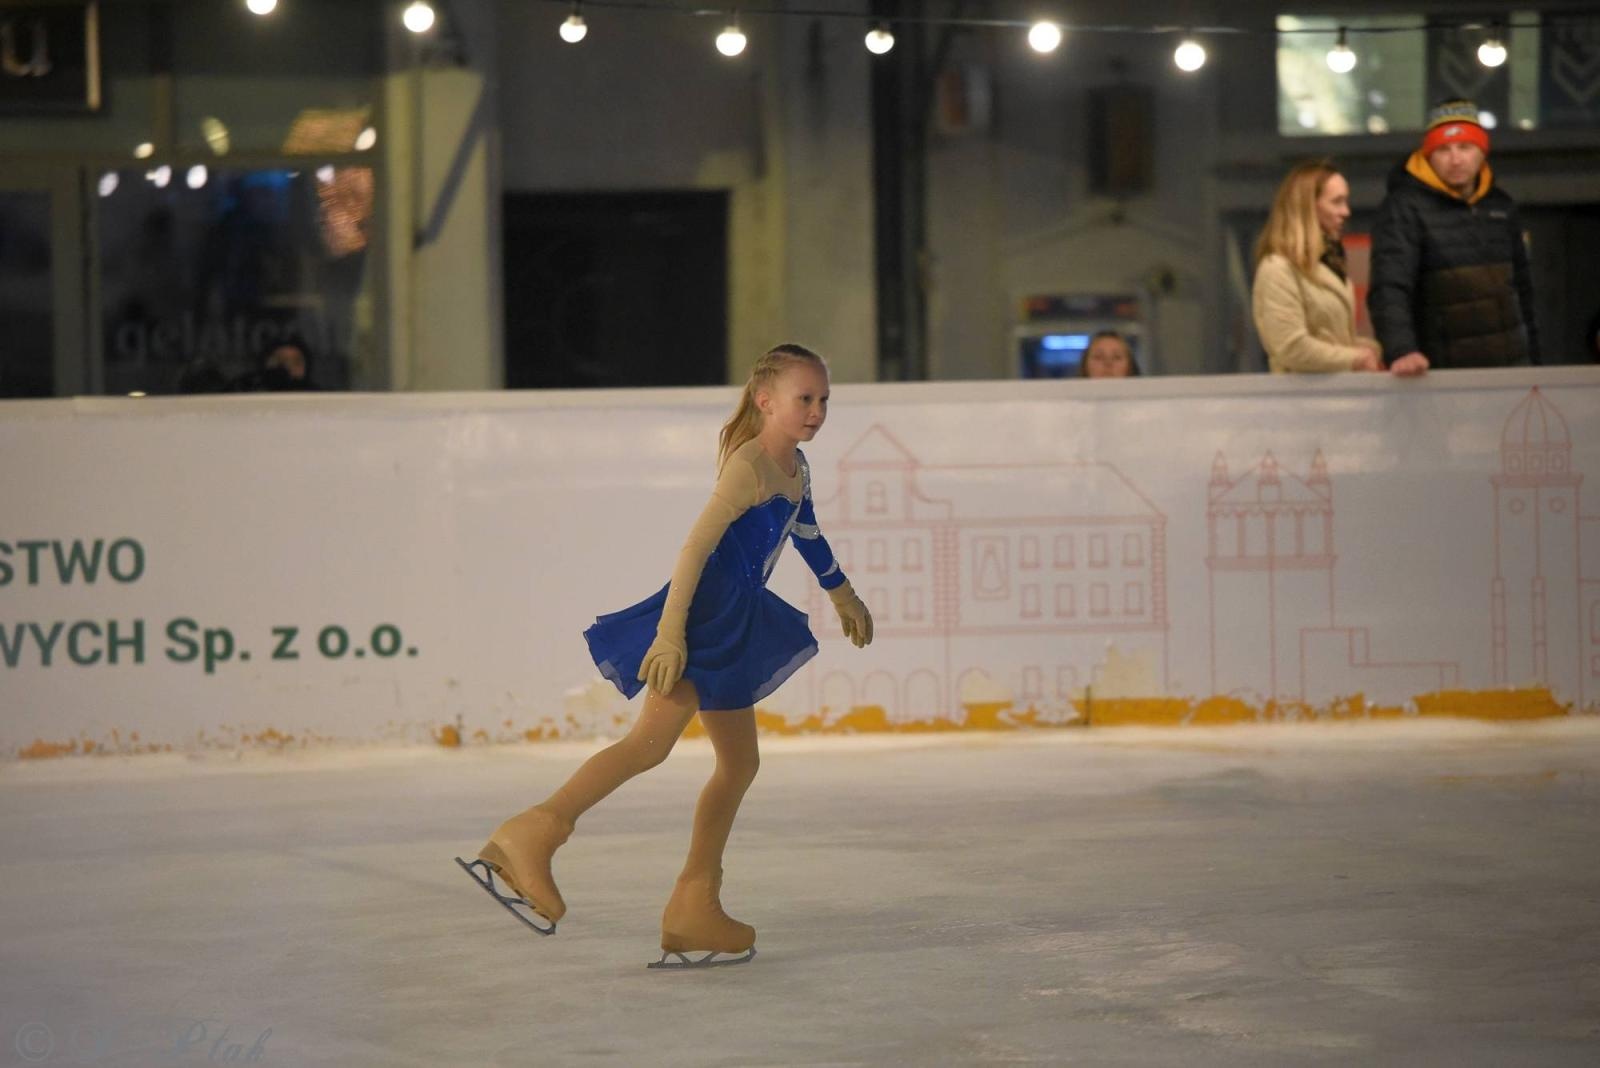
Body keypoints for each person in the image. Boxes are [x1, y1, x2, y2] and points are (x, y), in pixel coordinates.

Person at [457, 343, 874, 968]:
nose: (816, 411)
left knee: (738, 764)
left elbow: (807, 532)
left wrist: (842, 592)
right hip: (704, 617)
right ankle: (531, 834)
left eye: (823, 400)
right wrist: (671, 633)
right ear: (766, 401)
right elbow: (693, 550)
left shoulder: (797, 467)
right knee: (649, 745)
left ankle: (694, 904)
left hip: (737, 620)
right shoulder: (749, 466)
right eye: (804, 399)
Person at [1368, 99, 1540, 374]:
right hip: (1440, 375)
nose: (1455, 159)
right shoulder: (1403, 208)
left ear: (1482, 152)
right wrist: (1401, 351)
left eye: (1465, 147)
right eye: (1443, 149)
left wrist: (1534, 362)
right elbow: (1390, 287)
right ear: (1428, 155)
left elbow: (1523, 291)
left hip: (1511, 370)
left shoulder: (1502, 206)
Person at [1252, 160, 1385, 374]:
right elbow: (1291, 347)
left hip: (1332, 397)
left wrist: (1368, 349)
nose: (1346, 212)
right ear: (1307, 207)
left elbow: (1329, 337)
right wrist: (1355, 358)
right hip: (1302, 402)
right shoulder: (1277, 269)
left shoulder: (1330, 264)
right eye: (1337, 202)